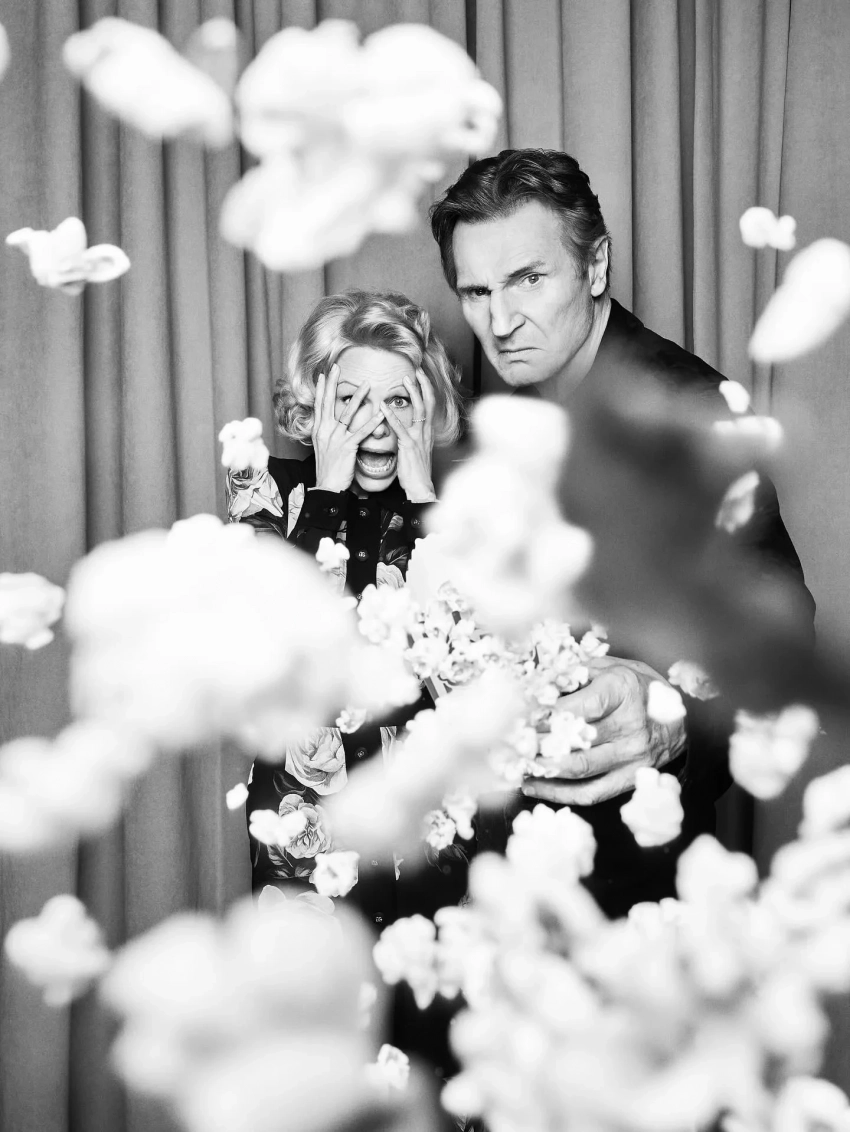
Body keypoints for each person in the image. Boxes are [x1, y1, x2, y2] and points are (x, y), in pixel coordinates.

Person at [430, 148, 816, 916]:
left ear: (596, 265)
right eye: (476, 291)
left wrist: (674, 717)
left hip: (634, 893)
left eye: (528, 279)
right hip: (504, 894)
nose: (499, 323)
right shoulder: (501, 417)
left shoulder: (686, 411)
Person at [225, 288, 467, 1080]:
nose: (376, 423)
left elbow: (472, 671)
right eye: (351, 399)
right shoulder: (266, 494)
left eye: (399, 400)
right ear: (312, 407)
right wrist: (327, 499)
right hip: (309, 842)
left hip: (435, 840)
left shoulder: (463, 518)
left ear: (429, 410)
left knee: (439, 1073)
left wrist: (426, 504)